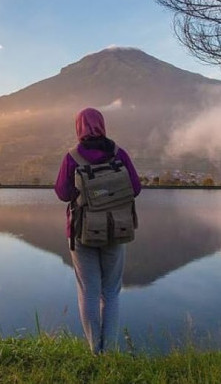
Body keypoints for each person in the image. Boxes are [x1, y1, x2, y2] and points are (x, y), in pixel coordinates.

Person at [54, 107, 142, 353]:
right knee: (111, 292)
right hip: (116, 230)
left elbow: (63, 193)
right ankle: (110, 351)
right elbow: (135, 188)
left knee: (89, 293)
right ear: (102, 125)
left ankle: (95, 351)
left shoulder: (72, 157)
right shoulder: (118, 154)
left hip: (82, 232)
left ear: (78, 128)